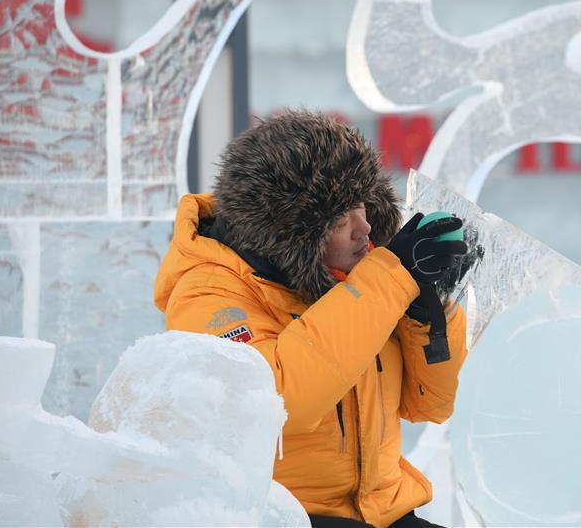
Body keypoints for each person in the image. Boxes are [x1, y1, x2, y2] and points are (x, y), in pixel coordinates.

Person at [154, 110, 470, 528]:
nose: (365, 228)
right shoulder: (208, 293)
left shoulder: (362, 278)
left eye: (360, 204)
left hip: (384, 511)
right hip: (278, 516)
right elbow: (282, 403)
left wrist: (428, 305)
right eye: (340, 220)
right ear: (290, 234)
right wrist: (391, 278)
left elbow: (432, 404)